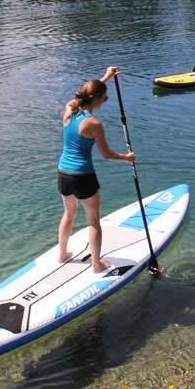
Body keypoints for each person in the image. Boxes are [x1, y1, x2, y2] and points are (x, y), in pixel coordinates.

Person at [57, 66, 135, 274]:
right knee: (93, 222)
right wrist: (126, 157)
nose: (105, 102)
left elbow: (87, 93)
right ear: (98, 99)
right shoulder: (94, 124)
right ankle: (96, 265)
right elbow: (107, 154)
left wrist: (106, 77)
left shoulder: (69, 109)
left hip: (63, 172)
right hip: (84, 176)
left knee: (69, 214)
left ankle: (62, 254)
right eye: (105, 98)